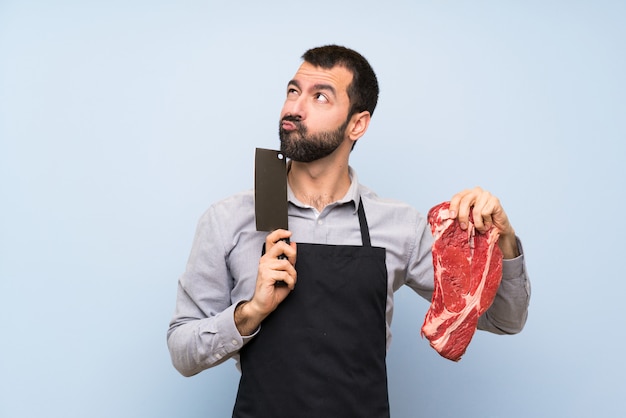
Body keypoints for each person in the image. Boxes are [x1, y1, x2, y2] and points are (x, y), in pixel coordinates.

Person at [167, 45, 530, 417]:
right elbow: (182, 351)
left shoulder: (399, 226)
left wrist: (504, 238)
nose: (294, 108)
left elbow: (504, 318)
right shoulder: (228, 219)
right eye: (293, 91)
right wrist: (250, 312)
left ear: (357, 124)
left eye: (319, 96)